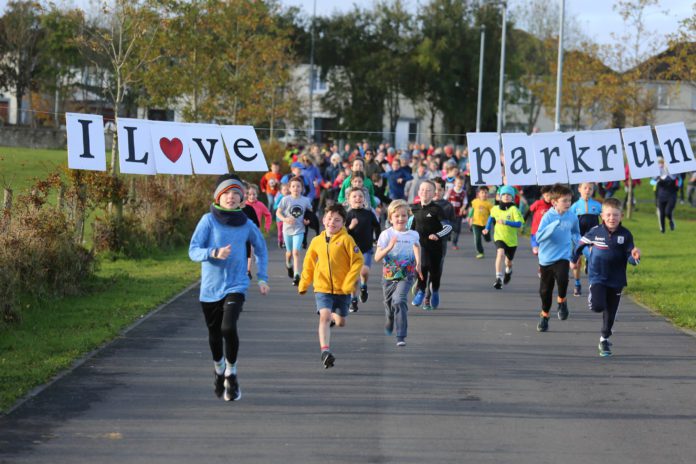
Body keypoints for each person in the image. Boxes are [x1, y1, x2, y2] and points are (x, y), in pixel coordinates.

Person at [188, 175, 270, 401]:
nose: (231, 197)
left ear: (242, 199)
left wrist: (262, 278)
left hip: (237, 284)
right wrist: (212, 253)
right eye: (227, 193)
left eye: (236, 194)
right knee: (214, 335)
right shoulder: (207, 221)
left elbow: (261, 250)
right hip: (210, 288)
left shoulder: (246, 224)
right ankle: (218, 369)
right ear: (218, 197)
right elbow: (193, 250)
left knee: (228, 327)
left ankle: (231, 374)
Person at [570, 197, 641, 356]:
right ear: (602, 215)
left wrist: (635, 257)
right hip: (598, 276)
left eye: (615, 215)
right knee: (598, 306)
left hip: (616, 279)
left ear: (621, 216)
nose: (612, 218)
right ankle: (593, 296)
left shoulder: (626, 234)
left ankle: (604, 340)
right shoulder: (595, 231)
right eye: (608, 215)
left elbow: (630, 256)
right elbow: (580, 245)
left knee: (611, 312)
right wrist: (573, 260)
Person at [298, 204, 364, 369]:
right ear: (323, 220)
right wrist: (304, 282)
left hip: (343, 289)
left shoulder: (346, 240)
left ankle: (335, 318)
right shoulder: (316, 241)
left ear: (343, 223)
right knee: (324, 317)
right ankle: (325, 352)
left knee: (341, 321)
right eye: (329, 219)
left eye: (337, 220)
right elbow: (309, 263)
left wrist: (349, 281)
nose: (332, 222)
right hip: (322, 287)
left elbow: (358, 260)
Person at [375, 200, 422, 346]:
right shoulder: (386, 234)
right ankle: (389, 318)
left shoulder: (413, 234)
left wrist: (418, 263)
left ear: (408, 217)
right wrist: (389, 247)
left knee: (400, 300)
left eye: (403, 215)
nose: (401, 219)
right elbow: (377, 258)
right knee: (389, 304)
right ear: (390, 218)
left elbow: (416, 246)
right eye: (397, 216)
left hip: (406, 275)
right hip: (389, 276)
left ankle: (401, 336)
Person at [534, 183, 580, 332]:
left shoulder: (572, 216)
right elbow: (539, 237)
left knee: (562, 278)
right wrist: (552, 226)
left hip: (563, 255)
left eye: (569, 200)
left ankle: (562, 301)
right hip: (546, 258)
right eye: (564, 201)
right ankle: (545, 315)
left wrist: (583, 246)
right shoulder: (547, 217)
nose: (568, 203)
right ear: (554, 202)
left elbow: (575, 233)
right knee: (545, 291)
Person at [410, 181, 452, 310]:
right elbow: (411, 228)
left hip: (435, 246)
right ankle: (421, 291)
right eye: (422, 189)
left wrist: (438, 235)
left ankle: (435, 291)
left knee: (434, 273)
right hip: (420, 246)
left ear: (434, 194)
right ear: (418, 192)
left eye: (428, 190)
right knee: (422, 267)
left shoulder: (437, 209)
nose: (425, 192)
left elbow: (448, 227)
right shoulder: (414, 208)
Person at [345, 188, 381, 312]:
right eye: (354, 196)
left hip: (366, 248)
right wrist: (350, 226)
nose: (358, 198)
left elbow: (377, 226)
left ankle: (364, 287)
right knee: (354, 277)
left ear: (364, 199)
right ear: (349, 200)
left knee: (364, 272)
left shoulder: (368, 213)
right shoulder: (348, 215)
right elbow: (343, 233)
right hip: (351, 250)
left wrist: (378, 240)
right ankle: (353, 300)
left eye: (360, 196)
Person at [483, 185, 524, 289]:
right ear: (499, 197)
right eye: (504, 194)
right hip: (499, 237)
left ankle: (508, 271)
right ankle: (499, 278)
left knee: (508, 262)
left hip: (511, 240)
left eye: (509, 195)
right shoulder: (495, 208)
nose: (506, 196)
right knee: (500, 253)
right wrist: (487, 228)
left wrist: (506, 222)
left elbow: (519, 224)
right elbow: (490, 218)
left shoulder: (514, 209)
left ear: (512, 198)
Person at [276, 176, 312, 286]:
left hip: (299, 229)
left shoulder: (306, 200)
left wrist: (308, 221)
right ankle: (288, 264)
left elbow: (310, 213)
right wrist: (285, 219)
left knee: (296, 252)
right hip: (287, 230)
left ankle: (297, 275)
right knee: (289, 253)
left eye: (298, 186)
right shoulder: (285, 199)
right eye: (293, 186)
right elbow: (278, 213)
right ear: (289, 188)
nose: (296, 188)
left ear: (302, 188)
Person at [569, 182, 602, 296]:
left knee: (593, 259)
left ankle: (593, 284)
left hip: (593, 237)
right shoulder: (575, 206)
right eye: (585, 188)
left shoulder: (597, 205)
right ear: (579, 189)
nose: (587, 190)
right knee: (577, 261)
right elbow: (569, 221)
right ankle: (577, 284)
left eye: (590, 188)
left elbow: (604, 218)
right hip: (578, 237)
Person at [651, 157, 682, 233]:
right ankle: (663, 229)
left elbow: (680, 181)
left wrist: (678, 186)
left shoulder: (674, 174)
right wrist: (657, 178)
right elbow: (652, 182)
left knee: (667, 212)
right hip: (661, 196)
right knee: (661, 214)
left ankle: (671, 220)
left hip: (672, 195)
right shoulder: (659, 173)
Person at [468, 186, 493, 259]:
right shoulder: (475, 201)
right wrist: (469, 217)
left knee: (487, 238)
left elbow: (492, 214)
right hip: (475, 223)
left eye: (486, 193)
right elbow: (472, 210)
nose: (484, 194)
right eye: (482, 192)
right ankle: (480, 252)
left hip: (485, 224)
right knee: (477, 238)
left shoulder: (489, 204)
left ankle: (487, 237)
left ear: (488, 194)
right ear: (478, 194)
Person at [445, 175, 468, 250]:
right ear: (455, 182)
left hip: (458, 213)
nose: (460, 184)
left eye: (461, 183)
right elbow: (445, 199)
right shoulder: (450, 191)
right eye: (458, 183)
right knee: (448, 226)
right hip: (449, 213)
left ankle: (454, 243)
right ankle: (448, 236)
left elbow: (465, 203)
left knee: (457, 229)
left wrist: (462, 208)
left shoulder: (463, 193)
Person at [273, 182, 289, 249]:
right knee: (280, 232)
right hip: (279, 218)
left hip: (287, 218)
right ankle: (280, 241)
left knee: (286, 231)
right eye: (284, 190)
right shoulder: (280, 197)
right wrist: (280, 206)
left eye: (287, 190)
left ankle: (285, 242)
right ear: (281, 191)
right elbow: (274, 206)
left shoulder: (290, 197)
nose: (286, 191)